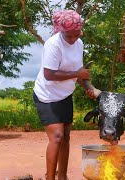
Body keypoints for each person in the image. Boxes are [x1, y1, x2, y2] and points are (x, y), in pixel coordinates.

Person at [32, 10, 92, 180]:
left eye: (76, 34)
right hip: (47, 95)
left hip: (65, 95)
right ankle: (50, 177)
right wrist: (77, 75)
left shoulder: (79, 44)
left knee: (65, 136)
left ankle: (63, 177)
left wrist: (86, 87)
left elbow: (78, 71)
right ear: (61, 30)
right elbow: (49, 75)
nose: (73, 38)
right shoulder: (53, 44)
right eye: (69, 35)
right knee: (57, 136)